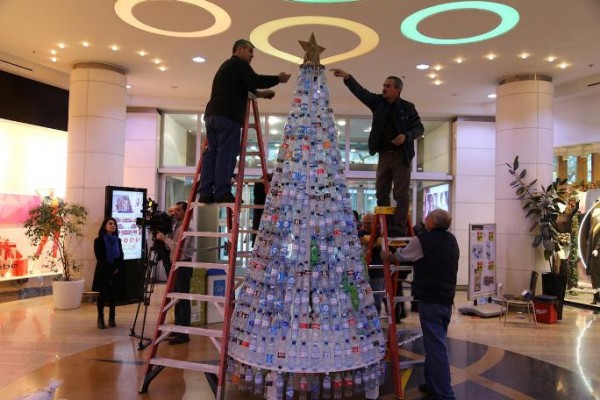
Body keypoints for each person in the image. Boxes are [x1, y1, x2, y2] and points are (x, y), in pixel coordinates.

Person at [330, 69, 424, 237]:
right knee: (381, 192)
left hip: (401, 155)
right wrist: (348, 78)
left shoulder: (408, 108)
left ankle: (398, 227)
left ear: (397, 89)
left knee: (400, 193)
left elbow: (419, 128)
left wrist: (406, 136)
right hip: (384, 154)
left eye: (388, 86)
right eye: (384, 85)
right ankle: (386, 226)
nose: (384, 88)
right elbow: (361, 93)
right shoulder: (378, 102)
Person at [198, 39, 291, 204]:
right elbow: (254, 80)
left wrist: (260, 94)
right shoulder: (238, 64)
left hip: (212, 115)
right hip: (228, 115)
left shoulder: (226, 67)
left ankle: (205, 191)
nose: (252, 55)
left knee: (212, 152)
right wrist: (278, 78)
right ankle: (222, 191)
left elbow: (243, 87)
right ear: (239, 49)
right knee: (226, 153)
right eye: (250, 51)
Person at [382, 209, 459, 400]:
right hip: (446, 299)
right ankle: (432, 384)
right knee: (434, 342)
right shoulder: (452, 240)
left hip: (430, 300)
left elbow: (401, 256)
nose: (424, 220)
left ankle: (445, 393)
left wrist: (387, 255)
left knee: (436, 346)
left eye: (427, 217)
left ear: (432, 222)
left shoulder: (421, 241)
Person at [155, 201, 194, 344]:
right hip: (176, 264)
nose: (174, 212)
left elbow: (179, 247)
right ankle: (178, 329)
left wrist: (164, 238)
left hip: (183, 265)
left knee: (182, 299)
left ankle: (183, 334)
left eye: (178, 210)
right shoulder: (177, 225)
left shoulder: (187, 227)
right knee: (176, 298)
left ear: (185, 212)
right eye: (174, 210)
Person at [92, 217, 124, 329]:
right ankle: (100, 317)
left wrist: (117, 268)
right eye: (110, 223)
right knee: (101, 295)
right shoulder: (98, 240)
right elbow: (100, 258)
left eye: (114, 224)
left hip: (116, 271)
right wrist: (112, 268)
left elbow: (121, 255)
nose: (113, 225)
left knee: (113, 295)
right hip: (103, 271)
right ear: (104, 226)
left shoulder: (117, 240)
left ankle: (112, 317)